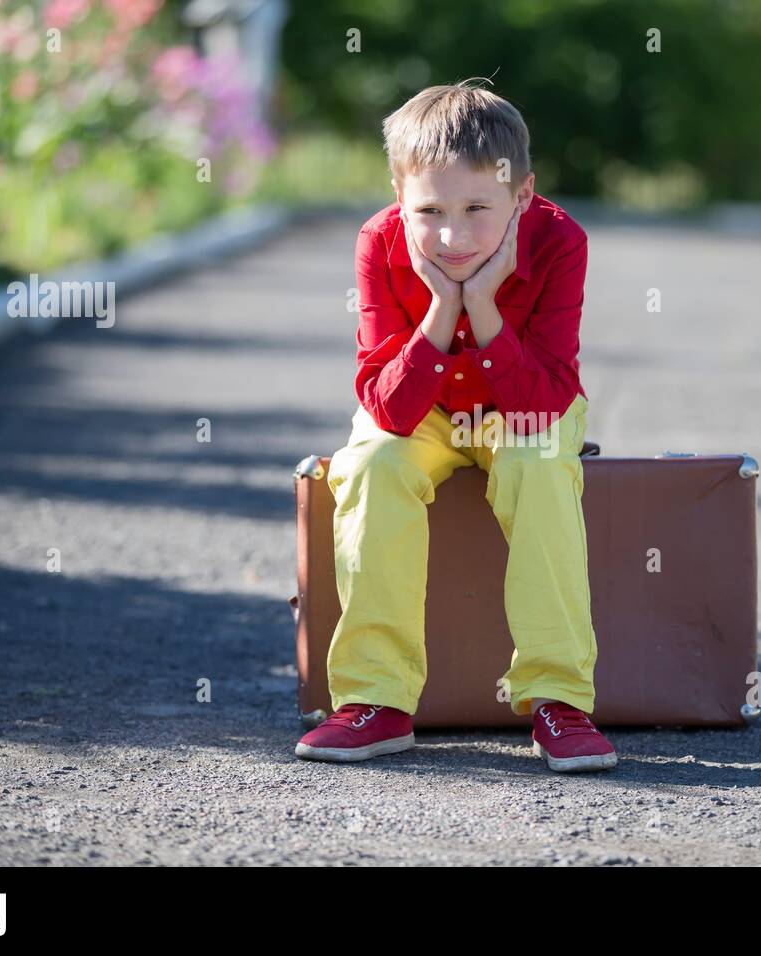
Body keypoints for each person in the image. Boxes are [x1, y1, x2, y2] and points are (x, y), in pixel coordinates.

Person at [294, 78, 615, 773]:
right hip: (424, 409)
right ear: (398, 197)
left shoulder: (559, 241)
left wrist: (489, 308)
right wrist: (445, 306)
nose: (452, 234)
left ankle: (559, 699)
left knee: (535, 464)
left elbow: (549, 396)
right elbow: (388, 408)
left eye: (478, 208)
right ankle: (376, 700)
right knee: (371, 465)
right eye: (430, 210)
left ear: (522, 195)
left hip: (525, 407)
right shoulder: (381, 242)